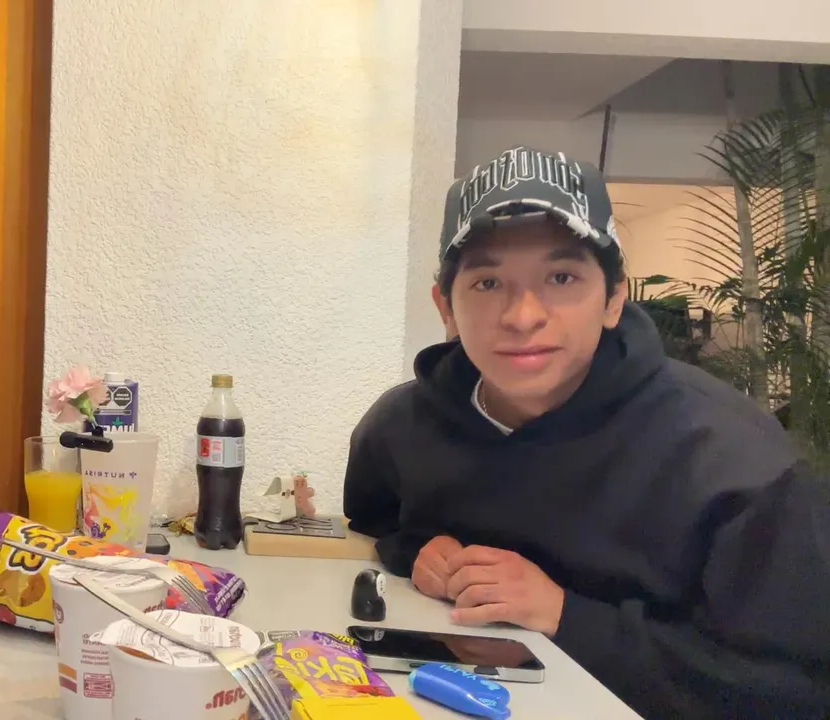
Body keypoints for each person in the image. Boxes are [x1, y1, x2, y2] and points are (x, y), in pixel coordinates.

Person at [344, 147, 830, 719]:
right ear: (445, 308)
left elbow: (791, 690)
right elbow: (374, 526)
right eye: (487, 282)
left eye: (561, 277)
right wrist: (416, 551)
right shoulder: (402, 423)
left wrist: (565, 615)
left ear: (614, 297)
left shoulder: (736, 463)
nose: (523, 316)